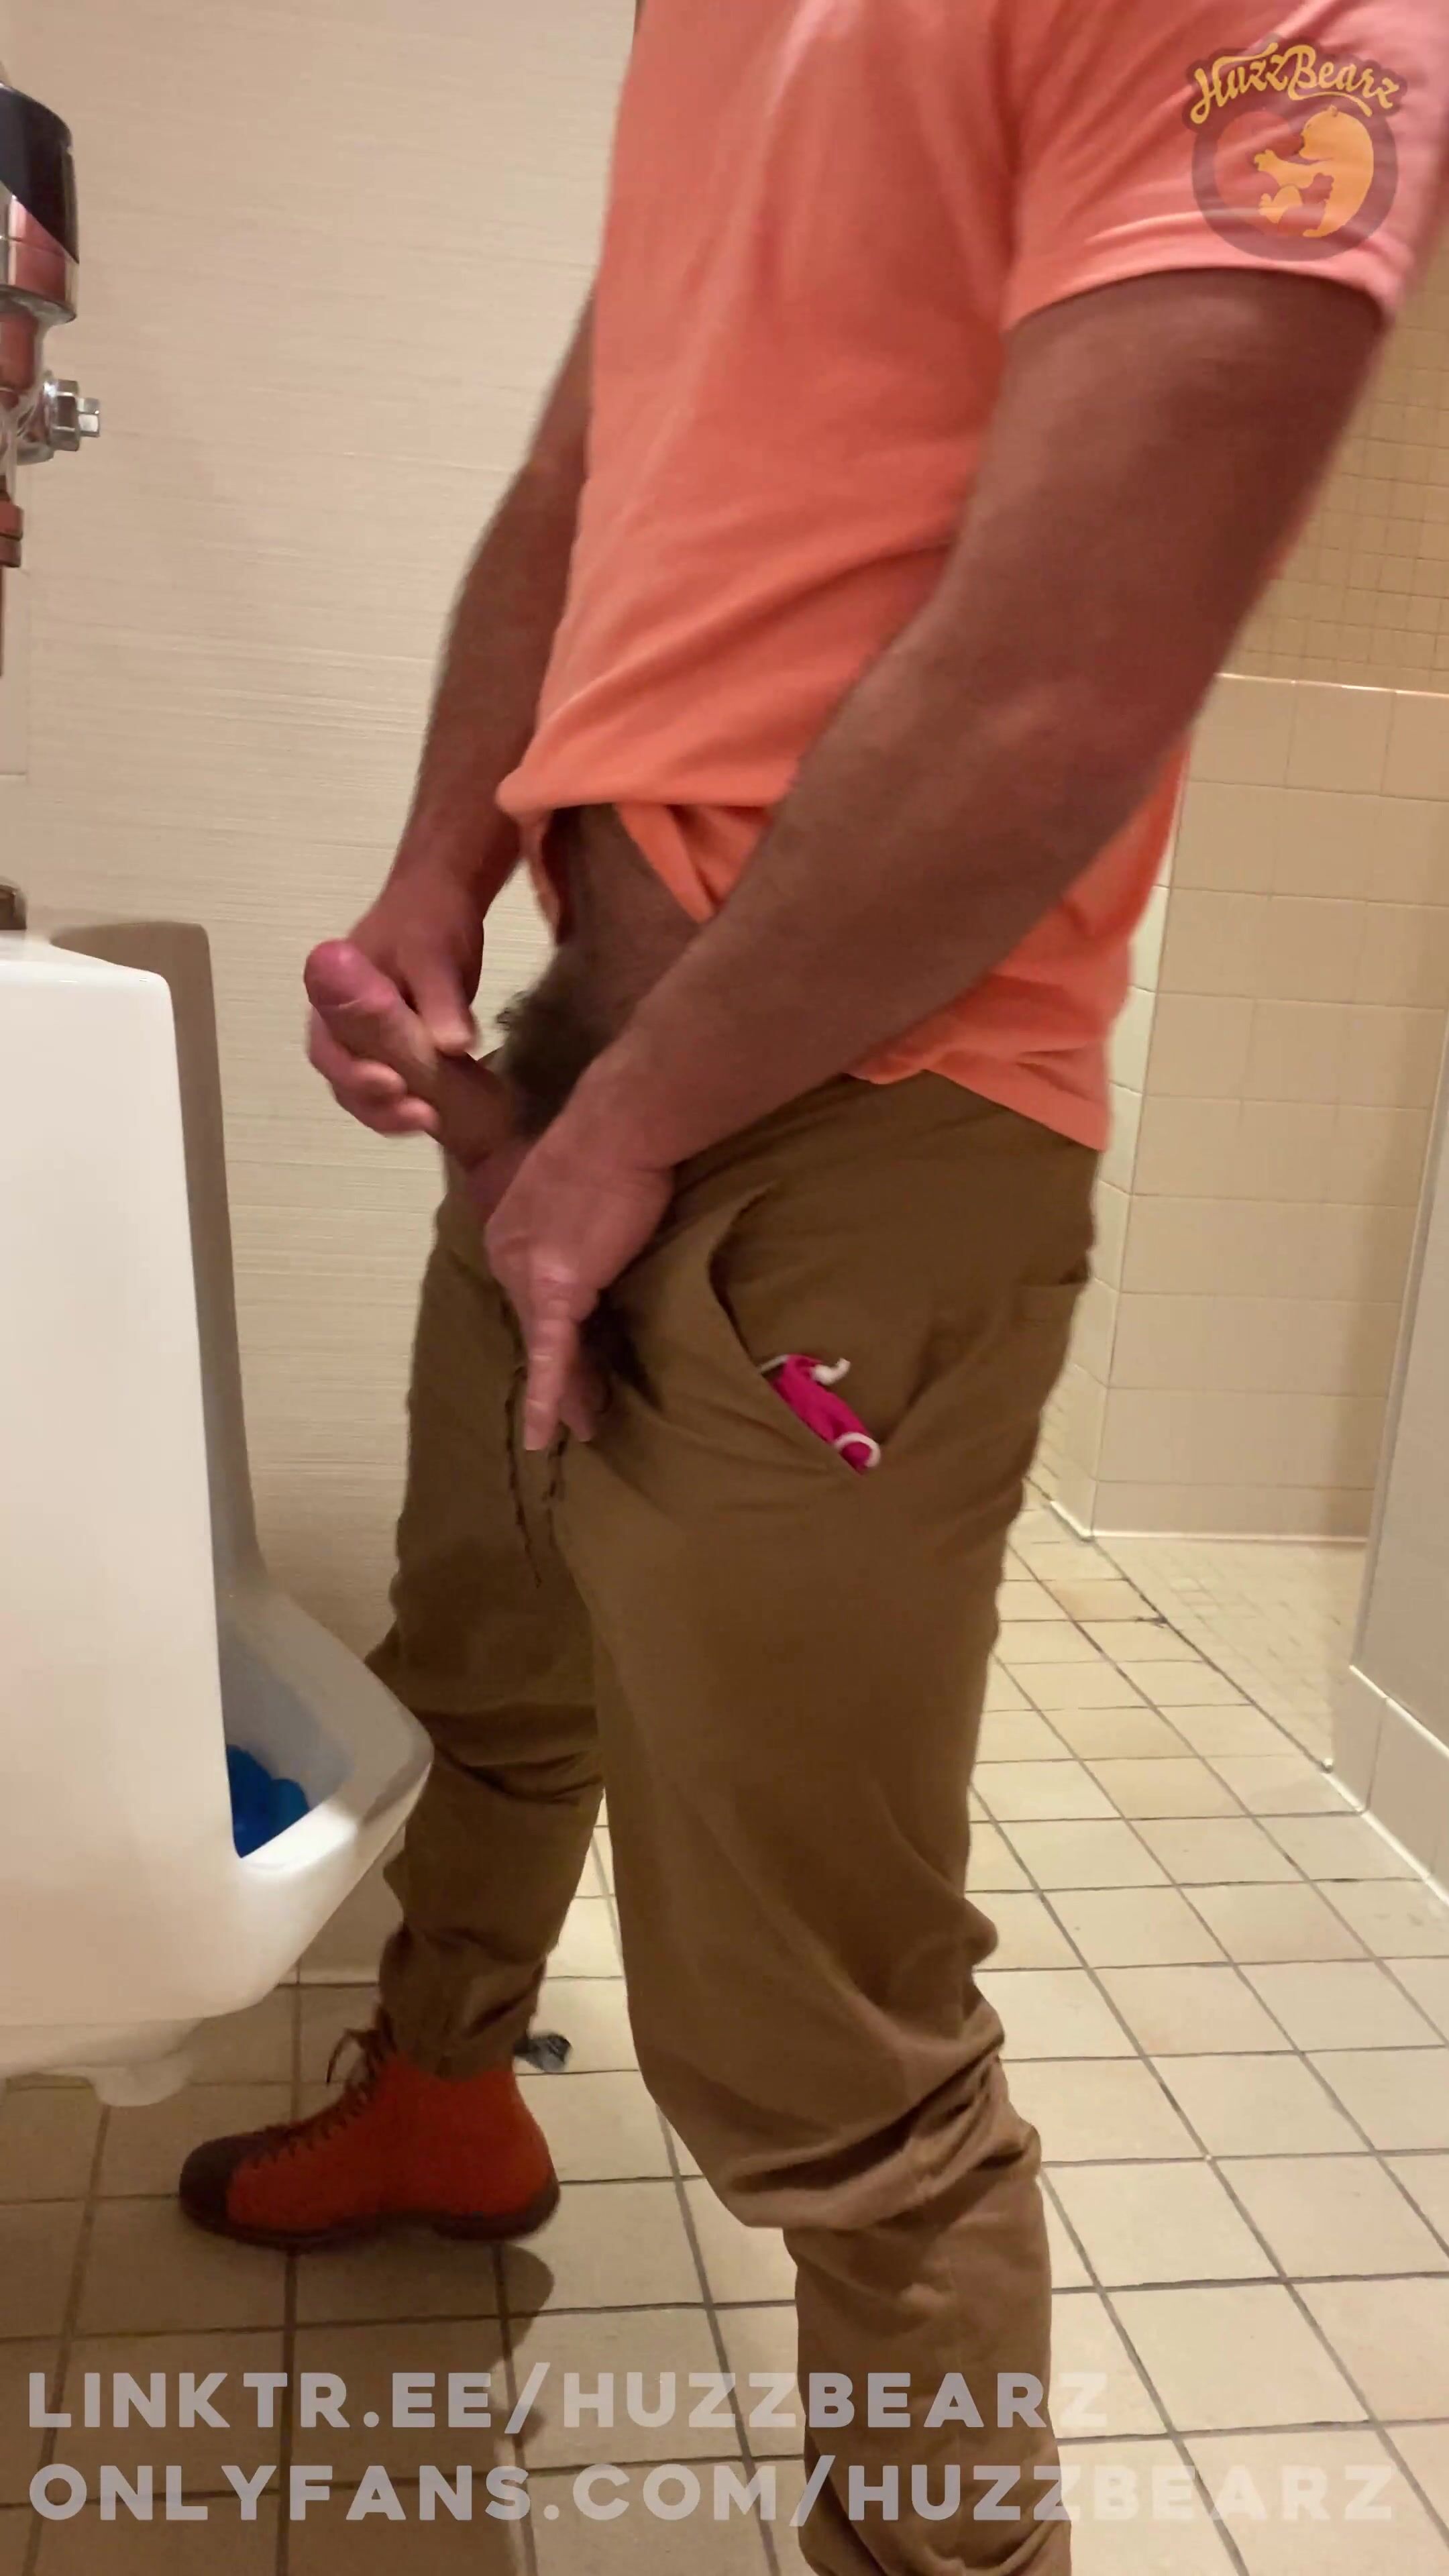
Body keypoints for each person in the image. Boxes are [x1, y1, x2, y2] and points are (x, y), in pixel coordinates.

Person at [180, 5, 1448, 2567]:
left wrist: (624, 1136)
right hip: (570, 1070)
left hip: (865, 1139)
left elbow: (1072, 672)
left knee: (820, 2030)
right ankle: (446, 2100)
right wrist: (442, 868)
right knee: (492, 1669)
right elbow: (579, 475)